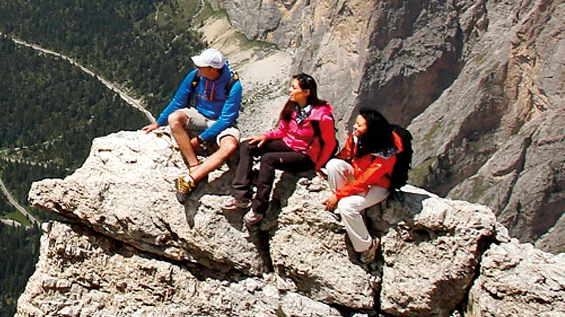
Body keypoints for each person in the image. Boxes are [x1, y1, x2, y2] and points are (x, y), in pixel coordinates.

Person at [217, 74, 334, 228]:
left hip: (304, 155)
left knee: (268, 159)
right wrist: (265, 136)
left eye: (294, 87)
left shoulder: (322, 117)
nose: (290, 90)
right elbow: (282, 131)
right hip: (287, 144)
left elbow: (329, 144)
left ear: (306, 92)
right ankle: (241, 195)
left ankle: (259, 208)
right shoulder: (293, 106)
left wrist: (318, 166)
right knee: (247, 145)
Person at [144, 47, 243, 195]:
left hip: (222, 122)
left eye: (201, 67)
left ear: (213, 69)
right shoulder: (196, 76)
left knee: (229, 146)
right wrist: (159, 123)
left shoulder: (233, 85)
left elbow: (226, 119)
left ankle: (191, 179)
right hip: (200, 114)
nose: (198, 69)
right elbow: (179, 101)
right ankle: (194, 165)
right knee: (174, 118)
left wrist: (202, 139)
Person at [321, 108, 402, 259]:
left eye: (359, 125)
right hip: (359, 176)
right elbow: (345, 154)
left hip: (378, 185)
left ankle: (367, 246)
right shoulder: (358, 139)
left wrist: (337, 196)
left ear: (371, 130)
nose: (355, 127)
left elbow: (366, 180)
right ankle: (351, 215)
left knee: (346, 206)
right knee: (333, 165)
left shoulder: (385, 154)